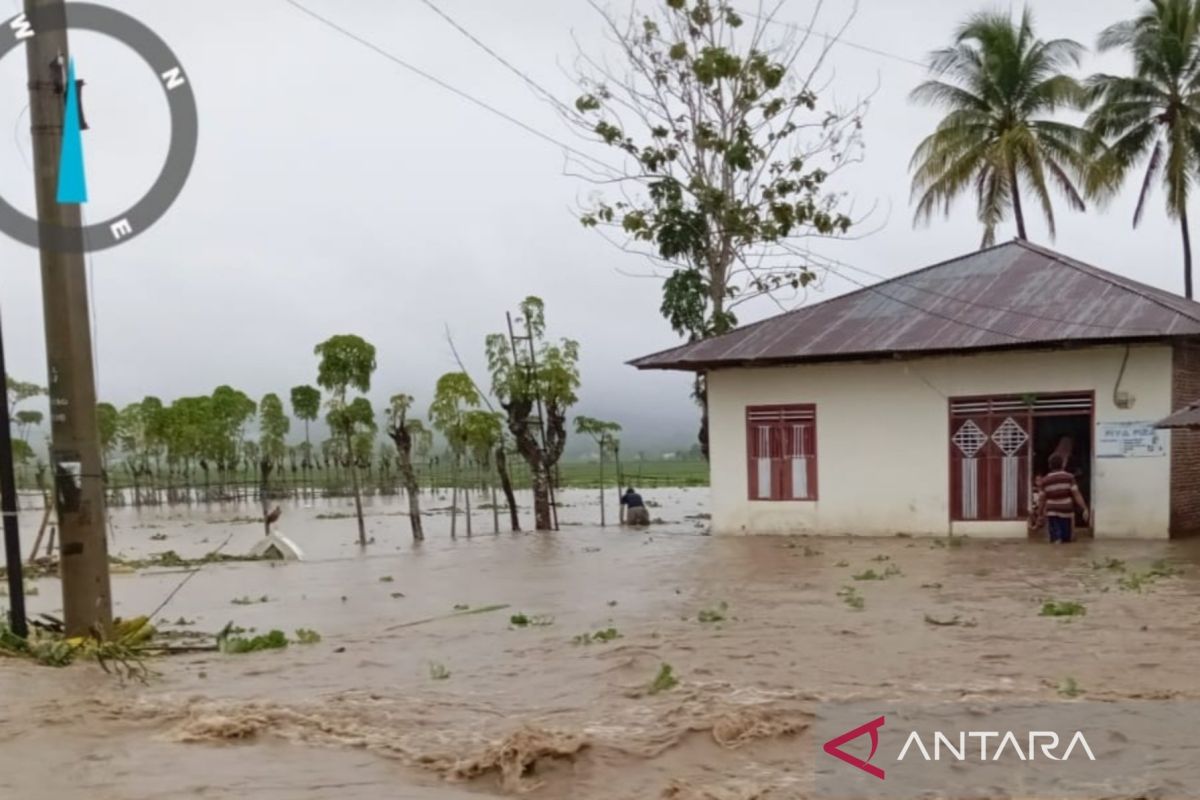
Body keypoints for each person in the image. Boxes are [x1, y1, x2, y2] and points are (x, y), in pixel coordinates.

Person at [1041, 454, 1089, 544]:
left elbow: (1042, 499)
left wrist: (1040, 514)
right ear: (1063, 464)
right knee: (1066, 540)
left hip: (1052, 511)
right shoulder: (1069, 477)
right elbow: (1076, 494)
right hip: (1066, 511)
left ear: (1050, 465)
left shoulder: (1045, 480)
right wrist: (1084, 508)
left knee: (1055, 539)